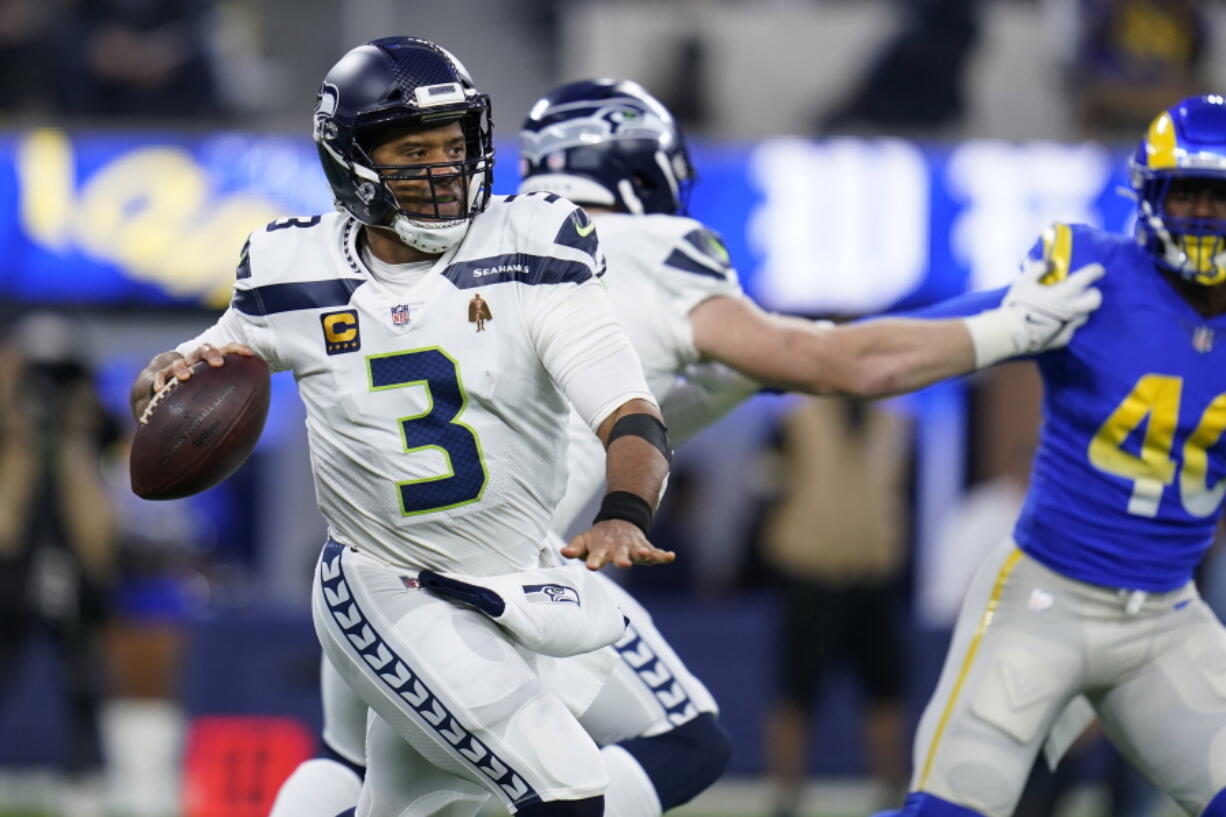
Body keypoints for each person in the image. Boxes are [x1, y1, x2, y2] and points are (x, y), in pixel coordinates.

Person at [267, 76, 1107, 817]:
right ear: (643, 168)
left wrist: (750, 373)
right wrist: (1009, 323)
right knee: (684, 743)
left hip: (374, 576)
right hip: (513, 587)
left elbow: (637, 408)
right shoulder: (655, 251)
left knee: (352, 765)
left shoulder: (471, 244)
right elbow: (843, 361)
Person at [130, 37, 677, 817]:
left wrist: (624, 510)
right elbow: (179, 375)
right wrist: (157, 381)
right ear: (351, 161)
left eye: (454, 145)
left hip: (519, 585)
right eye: (414, 150)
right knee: (569, 787)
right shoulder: (294, 270)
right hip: (389, 584)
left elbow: (629, 414)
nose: (443, 168)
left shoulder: (531, 246)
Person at [871, 93, 1226, 817]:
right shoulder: (1094, 275)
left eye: (1220, 198)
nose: (1203, 215)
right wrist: (810, 353)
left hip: (1167, 614)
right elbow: (942, 334)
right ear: (1151, 195)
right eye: (1187, 193)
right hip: (1045, 598)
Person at [759, 397, 911, 817]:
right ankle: (786, 796)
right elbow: (768, 487)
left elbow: (902, 496)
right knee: (794, 692)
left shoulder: (896, 422)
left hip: (873, 577)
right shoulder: (794, 417)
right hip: (810, 573)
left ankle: (892, 793)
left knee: (886, 691)